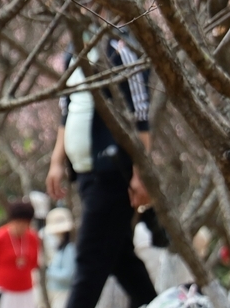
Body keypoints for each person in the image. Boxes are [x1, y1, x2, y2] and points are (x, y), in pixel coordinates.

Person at [46, 29, 157, 308]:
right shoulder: (74, 47)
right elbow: (66, 108)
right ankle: (156, 304)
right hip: (85, 173)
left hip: (112, 172)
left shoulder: (120, 49)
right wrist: (56, 162)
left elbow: (140, 116)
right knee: (121, 258)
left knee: (90, 256)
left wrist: (140, 173)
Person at [0, 201, 41, 308]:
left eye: (25, 224)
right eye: (19, 223)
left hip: (26, 289)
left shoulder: (32, 237)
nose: (22, 227)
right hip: (4, 290)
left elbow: (34, 262)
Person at [44, 208, 75, 308]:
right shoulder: (61, 249)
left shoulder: (69, 249)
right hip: (57, 292)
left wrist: (49, 271)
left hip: (65, 293)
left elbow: (68, 274)